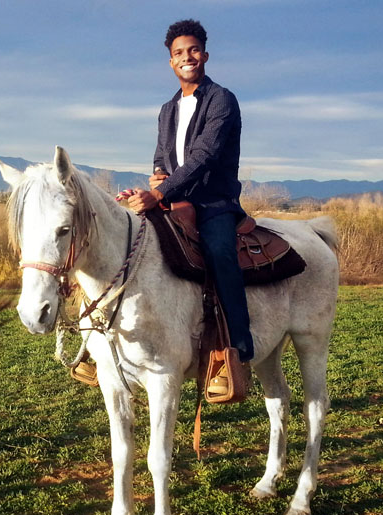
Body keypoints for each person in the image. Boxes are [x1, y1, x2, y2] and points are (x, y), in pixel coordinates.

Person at [126, 19, 254, 393]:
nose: (188, 57)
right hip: (173, 198)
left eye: (194, 50)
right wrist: (156, 178)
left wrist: (161, 191)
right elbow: (161, 157)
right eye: (179, 53)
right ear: (170, 62)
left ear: (206, 55)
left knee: (219, 253)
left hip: (215, 201)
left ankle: (236, 351)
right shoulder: (167, 109)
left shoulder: (222, 100)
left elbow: (204, 156)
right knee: (129, 244)